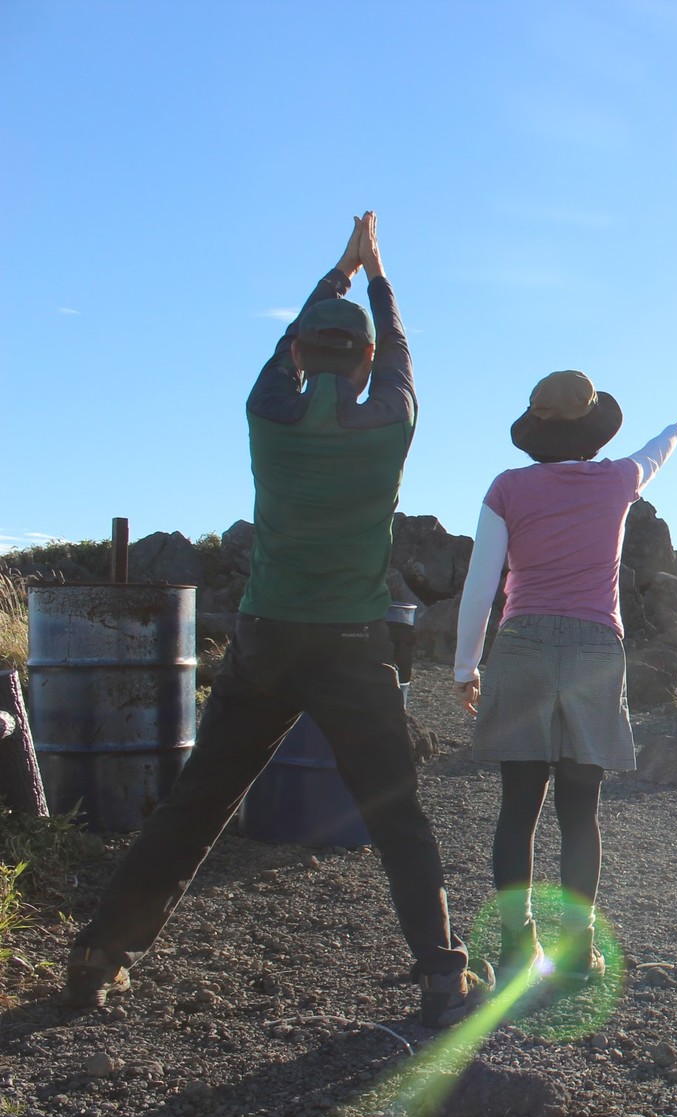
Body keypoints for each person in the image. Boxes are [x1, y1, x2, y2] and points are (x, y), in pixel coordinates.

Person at [60, 214, 491, 1029]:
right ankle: (443, 980)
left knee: (197, 805)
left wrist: (337, 272)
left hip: (266, 636)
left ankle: (97, 956)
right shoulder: (391, 419)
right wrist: (378, 275)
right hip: (354, 642)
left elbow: (301, 341)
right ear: (363, 361)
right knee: (396, 814)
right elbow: (399, 347)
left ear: (298, 355)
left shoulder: (267, 412)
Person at [452, 372, 677, 988]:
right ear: (591, 429)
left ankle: (514, 948)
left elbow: (482, 584)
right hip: (593, 649)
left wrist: (464, 666)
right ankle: (577, 952)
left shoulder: (507, 488)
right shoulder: (617, 481)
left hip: (522, 645)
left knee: (518, 809)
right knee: (580, 809)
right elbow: (654, 455)